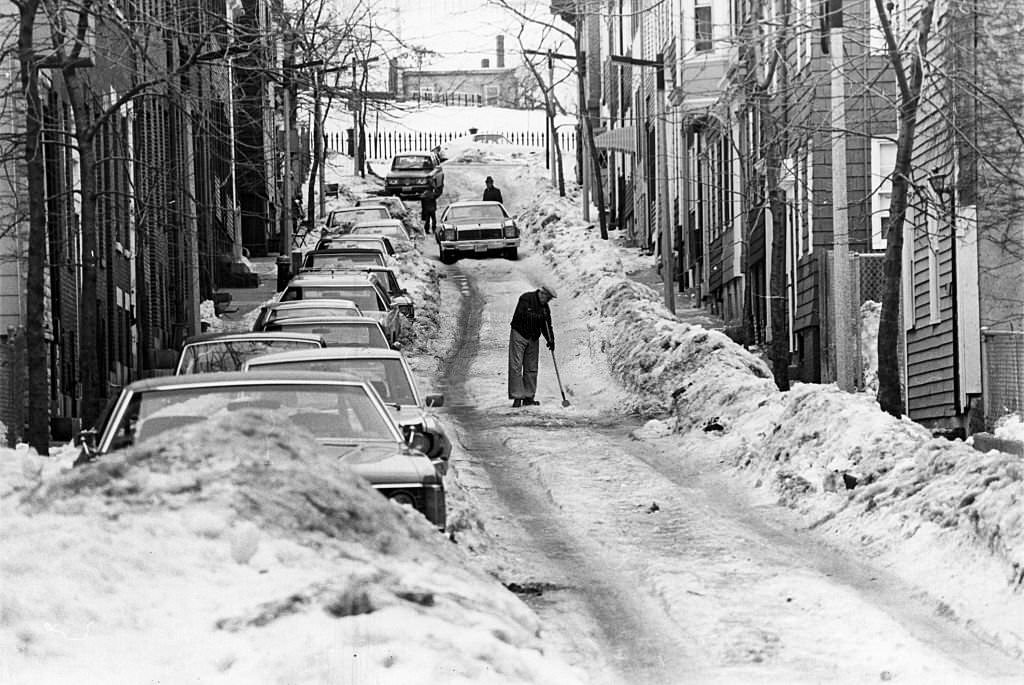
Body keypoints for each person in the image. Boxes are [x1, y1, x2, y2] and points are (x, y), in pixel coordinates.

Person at [508, 285, 556, 407]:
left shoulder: (545, 308)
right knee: (516, 366)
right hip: (519, 334)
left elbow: (547, 325)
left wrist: (550, 339)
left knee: (531, 368)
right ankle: (517, 396)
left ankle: (529, 397)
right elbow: (522, 315)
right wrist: (539, 317)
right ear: (542, 293)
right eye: (548, 298)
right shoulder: (526, 298)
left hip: (533, 337)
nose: (548, 301)